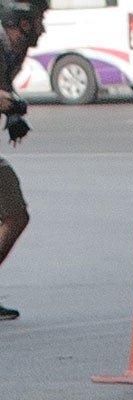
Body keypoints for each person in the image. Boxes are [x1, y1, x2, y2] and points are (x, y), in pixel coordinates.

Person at [0, 0, 43, 323]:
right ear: (23, 23)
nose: (43, 28)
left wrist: (13, 109)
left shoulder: (14, 50)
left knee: (16, 214)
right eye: (39, 20)